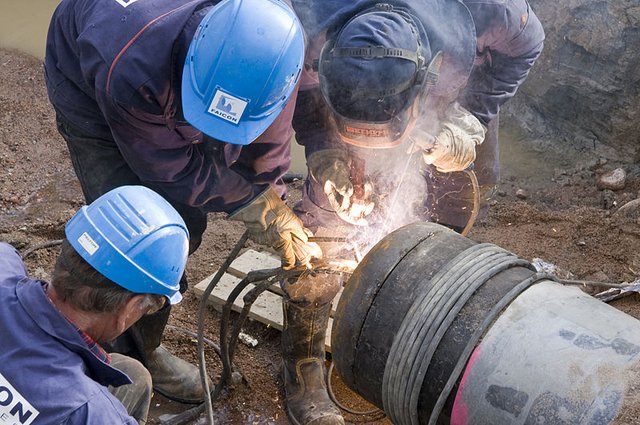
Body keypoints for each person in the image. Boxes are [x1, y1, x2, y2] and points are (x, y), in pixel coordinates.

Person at [277, 1, 545, 423]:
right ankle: (302, 365)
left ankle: (425, 326)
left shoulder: (489, 12)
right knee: (324, 220)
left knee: (454, 195)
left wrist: (471, 116)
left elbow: (528, 46)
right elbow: (303, 93)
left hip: (451, 101)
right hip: (350, 82)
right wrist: (324, 150)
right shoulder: (301, 25)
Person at [44, 0, 321, 403]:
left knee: (187, 220)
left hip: (179, 74)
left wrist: (271, 194)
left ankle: (141, 339)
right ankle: (134, 356)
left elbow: (279, 115)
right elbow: (168, 168)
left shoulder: (275, 34)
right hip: (98, 98)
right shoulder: (127, 64)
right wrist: (249, 203)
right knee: (140, 233)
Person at [0, 185, 190, 424]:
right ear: (130, 308)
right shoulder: (89, 413)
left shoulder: (4, 260)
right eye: (150, 306)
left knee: (133, 374)